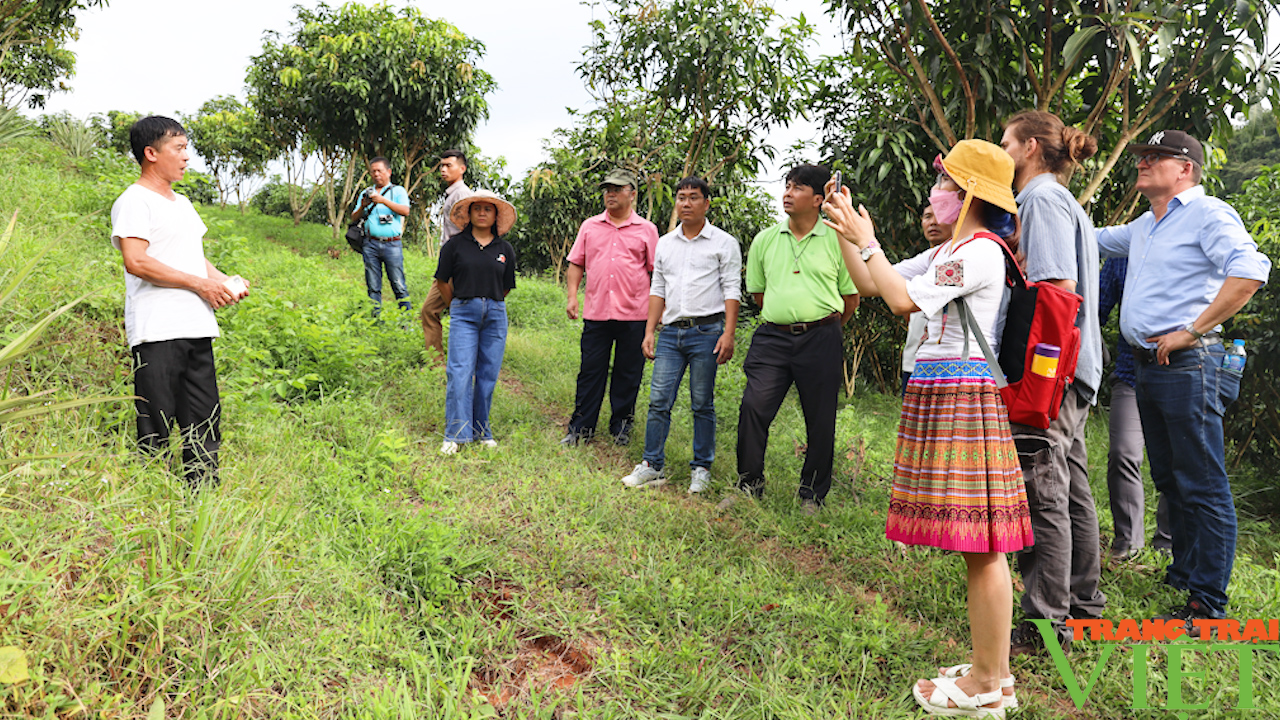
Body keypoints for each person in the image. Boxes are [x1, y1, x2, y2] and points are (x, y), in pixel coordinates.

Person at [825, 139, 1033, 717]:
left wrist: (865, 240)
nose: (935, 194)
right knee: (979, 545)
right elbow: (874, 284)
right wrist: (848, 232)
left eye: (944, 185)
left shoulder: (979, 253)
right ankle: (995, 672)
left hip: (963, 396)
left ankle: (989, 683)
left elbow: (897, 301)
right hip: (947, 393)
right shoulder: (956, 250)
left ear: (966, 196)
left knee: (984, 546)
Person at [1096, 129, 1270, 631]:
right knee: (1170, 478)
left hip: (1189, 366)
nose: (1143, 164)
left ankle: (1207, 603)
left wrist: (1194, 330)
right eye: (1142, 156)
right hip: (1150, 367)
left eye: (1156, 157)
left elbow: (1250, 270)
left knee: (1202, 483)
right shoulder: (1146, 226)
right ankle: (1185, 573)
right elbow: (1090, 236)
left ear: (1185, 169)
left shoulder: (1208, 213)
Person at [998, 110, 1105, 656]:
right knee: (1073, 489)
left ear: (1032, 147)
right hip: (1078, 365)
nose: (1002, 151)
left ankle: (1044, 626)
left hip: (1054, 371)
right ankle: (1084, 606)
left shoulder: (1039, 200)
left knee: (1044, 493)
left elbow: (1056, 290)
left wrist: (1037, 379)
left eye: (1006, 142)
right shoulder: (1066, 203)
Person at [110, 116, 250, 489]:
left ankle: (202, 493)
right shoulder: (134, 201)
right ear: (151, 153)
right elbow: (136, 261)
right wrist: (199, 285)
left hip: (196, 324)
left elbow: (192, 257)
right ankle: (150, 494)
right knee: (156, 416)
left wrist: (222, 281)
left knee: (204, 414)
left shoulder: (184, 204)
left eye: (186, 148)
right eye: (179, 148)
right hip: (158, 328)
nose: (187, 157)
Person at [722, 164, 859, 516]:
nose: (787, 192)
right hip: (773, 338)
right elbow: (759, 295)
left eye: (797, 188)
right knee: (754, 406)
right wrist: (789, 317)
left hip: (822, 338)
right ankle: (749, 484)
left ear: (817, 199)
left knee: (820, 417)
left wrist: (821, 326)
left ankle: (812, 495)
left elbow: (851, 299)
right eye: (787, 186)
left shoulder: (838, 240)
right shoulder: (765, 239)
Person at [620, 177, 741, 493]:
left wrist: (728, 333)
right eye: (681, 197)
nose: (686, 203)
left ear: (707, 203)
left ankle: (701, 468)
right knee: (658, 400)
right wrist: (650, 330)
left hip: (707, 331)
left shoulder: (723, 243)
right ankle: (651, 464)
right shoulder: (665, 243)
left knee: (702, 403)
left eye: (693, 198)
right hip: (671, 334)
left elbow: (732, 289)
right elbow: (658, 287)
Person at [561, 169, 660, 446]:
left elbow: (657, 273)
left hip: (635, 314)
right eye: (607, 189)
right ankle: (580, 428)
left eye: (617, 189)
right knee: (591, 370)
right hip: (597, 313)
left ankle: (621, 427)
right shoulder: (590, 226)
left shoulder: (647, 230)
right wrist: (572, 296)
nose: (611, 194)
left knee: (628, 373)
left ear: (632, 193)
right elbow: (577, 263)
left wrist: (657, 315)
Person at [1098, 256, 1172, 561]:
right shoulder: (1122, 256)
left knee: (1174, 459)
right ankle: (1128, 542)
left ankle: (1167, 544)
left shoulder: (1192, 247)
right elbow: (1096, 310)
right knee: (1123, 453)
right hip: (1131, 374)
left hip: (1181, 373)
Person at [435, 190, 518, 454]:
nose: (482, 213)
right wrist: (459, 305)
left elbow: (506, 287)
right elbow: (442, 281)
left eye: (488, 209)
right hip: (463, 314)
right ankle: (456, 433)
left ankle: (482, 431)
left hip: (495, 315)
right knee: (459, 372)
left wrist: (488, 303)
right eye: (477, 208)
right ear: (469, 214)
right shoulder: (454, 246)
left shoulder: (505, 249)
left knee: (487, 374)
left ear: (495, 215)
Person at [421, 149, 473, 360]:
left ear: (462, 169)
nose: (443, 170)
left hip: (457, 263)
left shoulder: (461, 195)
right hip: (453, 262)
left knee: (432, 310)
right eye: (441, 166)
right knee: (441, 310)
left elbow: (467, 231)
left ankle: (439, 361)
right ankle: (441, 359)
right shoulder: (454, 193)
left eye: (448, 165)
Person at [901, 200, 954, 394]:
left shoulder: (958, 261)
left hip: (945, 367)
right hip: (913, 361)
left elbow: (902, 303)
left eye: (940, 215)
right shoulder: (919, 263)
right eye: (927, 216)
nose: (933, 222)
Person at [351, 157, 411, 317]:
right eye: (373, 171)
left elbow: (405, 211)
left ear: (389, 172)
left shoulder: (398, 191)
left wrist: (383, 200)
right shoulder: (366, 193)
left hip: (393, 245)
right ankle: (375, 320)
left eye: (380, 171)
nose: (376, 174)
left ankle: (406, 320)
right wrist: (363, 206)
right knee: (373, 285)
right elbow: (353, 217)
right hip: (370, 244)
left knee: (398, 284)